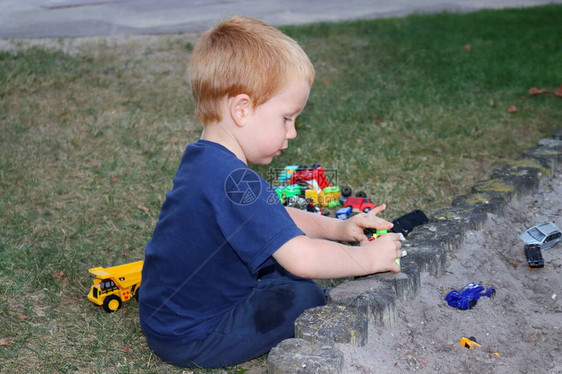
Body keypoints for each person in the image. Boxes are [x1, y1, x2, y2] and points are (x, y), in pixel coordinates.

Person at [138, 15, 403, 369]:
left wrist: (337, 229)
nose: (292, 133)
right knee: (302, 291)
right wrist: (369, 260)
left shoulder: (204, 160)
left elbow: (270, 215)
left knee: (281, 267)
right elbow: (302, 258)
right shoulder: (236, 180)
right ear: (242, 109)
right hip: (196, 336)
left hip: (166, 318)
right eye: (286, 118)